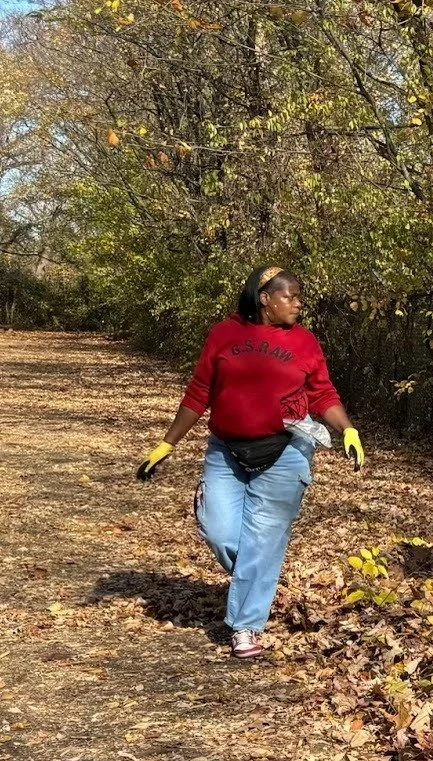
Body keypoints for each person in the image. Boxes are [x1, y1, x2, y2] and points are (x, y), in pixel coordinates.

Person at [135, 266, 365, 659]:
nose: (297, 303)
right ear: (264, 299)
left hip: (286, 451)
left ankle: (245, 627)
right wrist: (165, 445)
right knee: (219, 530)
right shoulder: (224, 335)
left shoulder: (305, 342)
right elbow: (199, 393)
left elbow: (322, 393)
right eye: (289, 296)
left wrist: (347, 430)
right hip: (226, 450)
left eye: (299, 296)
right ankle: (257, 577)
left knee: (263, 539)